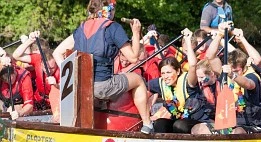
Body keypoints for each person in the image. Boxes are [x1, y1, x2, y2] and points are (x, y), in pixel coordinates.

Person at [53, 0, 153, 134]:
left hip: (80, 87)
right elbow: (134, 58)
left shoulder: (80, 28)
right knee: (138, 80)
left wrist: (71, 76)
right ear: (109, 10)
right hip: (101, 87)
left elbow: (56, 53)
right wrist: (136, 32)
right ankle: (147, 124)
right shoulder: (113, 27)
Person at [193, 22, 261, 134]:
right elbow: (210, 56)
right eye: (232, 69)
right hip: (226, 124)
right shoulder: (224, 72)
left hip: (250, 126)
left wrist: (233, 75)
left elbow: (248, 84)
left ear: (244, 67)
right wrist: (220, 35)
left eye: (237, 70)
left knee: (237, 132)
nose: (233, 72)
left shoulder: (251, 75)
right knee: (198, 128)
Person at [147, 28, 202, 133]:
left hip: (194, 120)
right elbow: (142, 88)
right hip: (176, 119)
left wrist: (188, 40)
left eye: (168, 73)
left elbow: (193, 65)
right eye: (163, 73)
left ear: (177, 72)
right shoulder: (161, 82)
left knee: (179, 125)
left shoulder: (188, 81)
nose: (165, 76)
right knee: (159, 123)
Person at [12, 31, 60, 110]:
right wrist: (30, 40)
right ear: (41, 63)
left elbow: (67, 89)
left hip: (54, 103)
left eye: (52, 68)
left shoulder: (60, 65)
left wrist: (56, 85)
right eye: (45, 67)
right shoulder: (37, 58)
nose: (48, 71)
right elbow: (16, 55)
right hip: (38, 100)